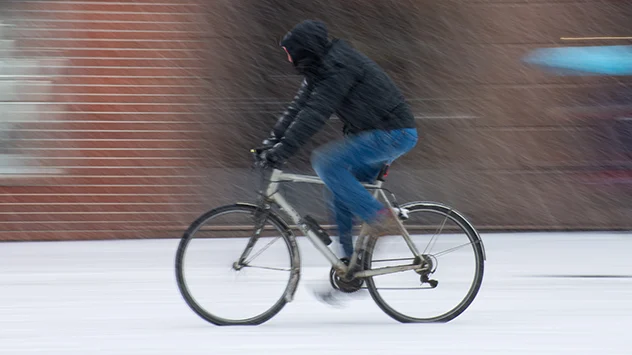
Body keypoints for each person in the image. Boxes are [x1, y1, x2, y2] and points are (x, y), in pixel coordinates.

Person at [261, 19, 418, 264]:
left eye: (291, 54)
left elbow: (316, 112)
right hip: (379, 134)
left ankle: (379, 218)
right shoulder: (321, 70)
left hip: (393, 132)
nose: (289, 60)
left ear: (306, 50)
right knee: (339, 189)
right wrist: (272, 142)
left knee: (325, 162)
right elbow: (298, 108)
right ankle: (349, 262)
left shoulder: (339, 66)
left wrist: (284, 150)